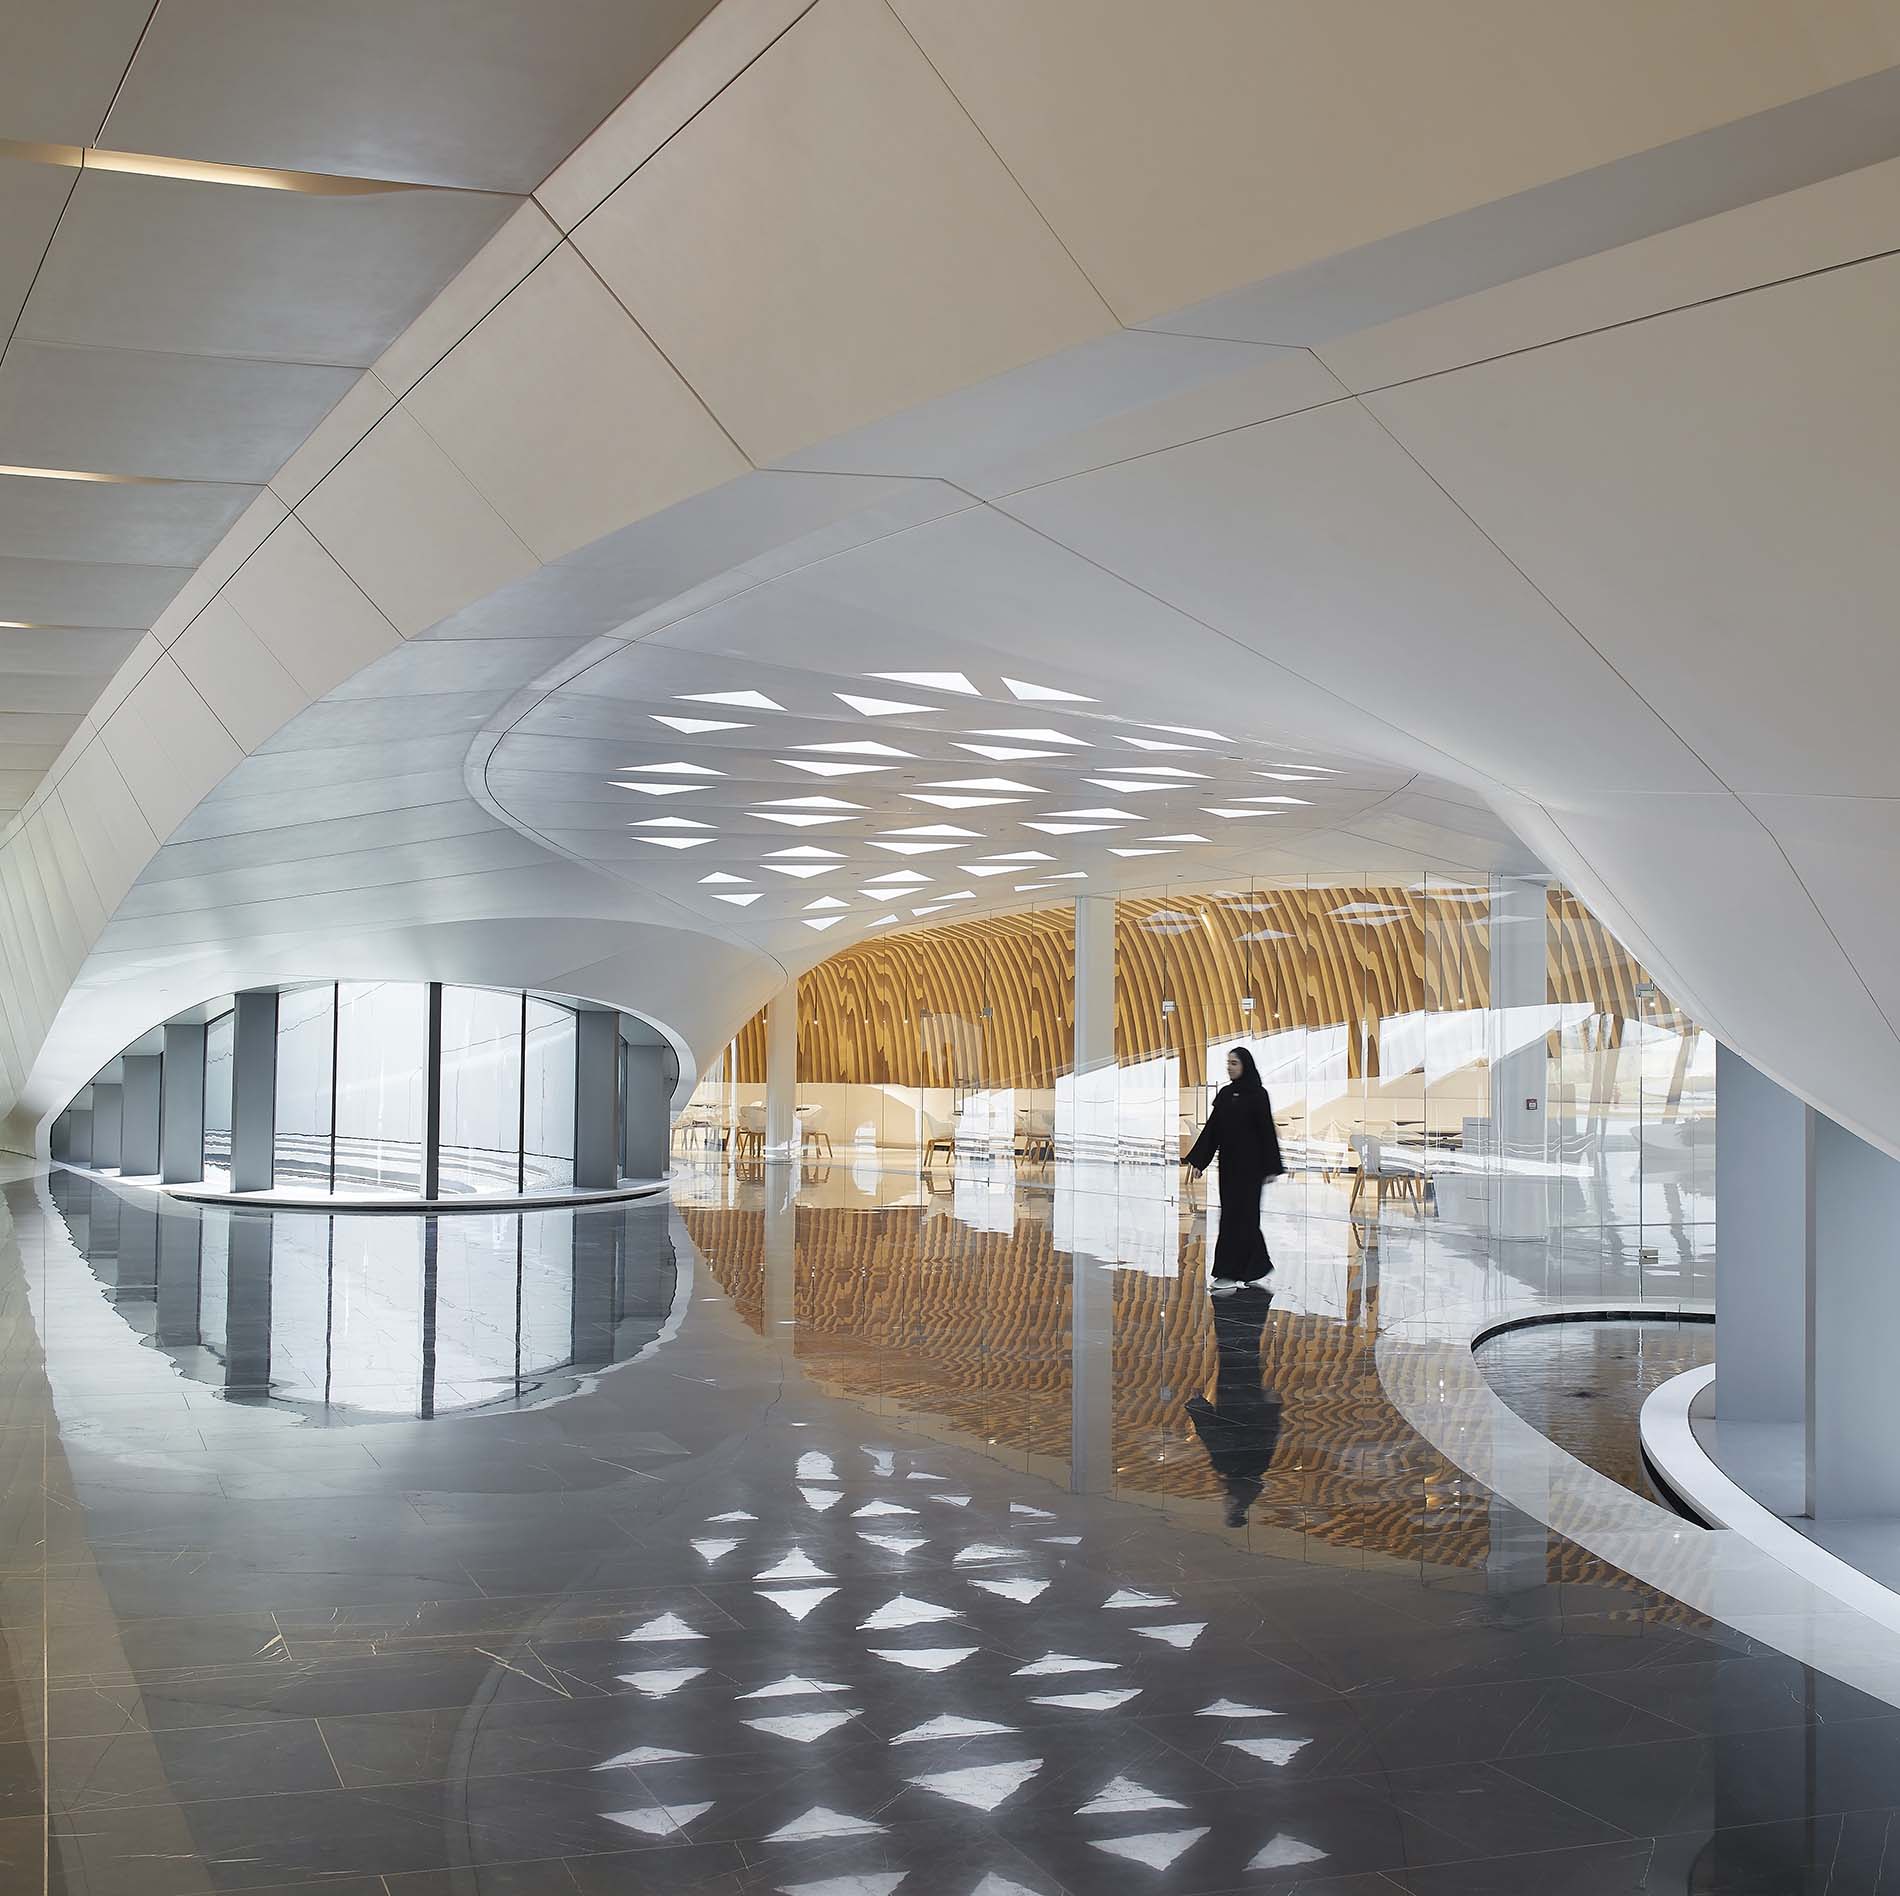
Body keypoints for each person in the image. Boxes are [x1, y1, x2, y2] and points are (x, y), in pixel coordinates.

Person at [1185, 1046, 1284, 1286]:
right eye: (1228, 1063)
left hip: (1252, 1168)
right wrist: (1199, 1161)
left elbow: (1266, 1132)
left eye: (1234, 1063)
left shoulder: (1258, 1095)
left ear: (1245, 1065)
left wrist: (1271, 1167)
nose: (1229, 1068)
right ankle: (1243, 1269)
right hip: (1229, 1167)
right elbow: (1213, 1130)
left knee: (1247, 1217)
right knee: (1230, 1216)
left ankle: (1243, 1270)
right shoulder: (1226, 1094)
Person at [1185, 1283, 1283, 1525]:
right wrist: (1198, 1405)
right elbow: (1211, 1432)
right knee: (1231, 1350)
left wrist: (1271, 1407)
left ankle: (1255, 1301)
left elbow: (1269, 1434)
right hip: (1233, 1400)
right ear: (1232, 1501)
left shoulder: (1258, 1467)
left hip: (1252, 1400)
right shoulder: (1227, 1465)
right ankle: (1227, 1300)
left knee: (1247, 1351)